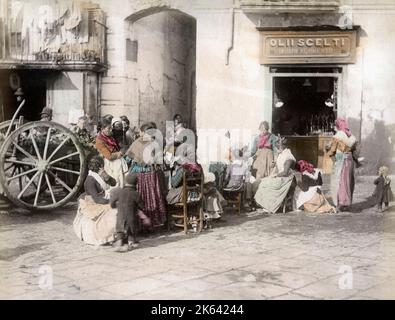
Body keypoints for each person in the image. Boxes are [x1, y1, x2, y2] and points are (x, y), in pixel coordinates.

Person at [125, 122, 167, 229]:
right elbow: (128, 158)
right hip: (138, 175)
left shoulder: (155, 144)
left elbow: (159, 159)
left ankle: (151, 223)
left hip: (151, 174)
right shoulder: (136, 143)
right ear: (142, 133)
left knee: (151, 196)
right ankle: (139, 224)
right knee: (140, 197)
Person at [73, 156, 118, 246]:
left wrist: (106, 176)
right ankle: (108, 237)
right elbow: (97, 199)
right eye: (101, 166)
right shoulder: (90, 180)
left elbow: (114, 183)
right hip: (94, 202)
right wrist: (112, 201)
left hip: (103, 198)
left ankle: (116, 235)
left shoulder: (100, 175)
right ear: (99, 167)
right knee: (114, 212)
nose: (103, 167)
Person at [254, 137, 297, 213]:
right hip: (281, 177)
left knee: (267, 184)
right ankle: (266, 205)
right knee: (263, 182)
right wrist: (274, 166)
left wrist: (276, 176)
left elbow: (285, 172)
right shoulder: (281, 155)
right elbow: (278, 167)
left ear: (283, 146)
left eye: (278, 146)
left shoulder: (288, 156)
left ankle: (270, 206)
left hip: (286, 179)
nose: (277, 148)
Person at [110, 173, 149, 251]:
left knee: (120, 231)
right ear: (136, 184)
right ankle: (130, 243)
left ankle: (119, 242)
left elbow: (112, 203)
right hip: (131, 218)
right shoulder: (135, 194)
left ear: (125, 181)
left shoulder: (119, 192)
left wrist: (117, 206)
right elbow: (143, 206)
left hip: (120, 217)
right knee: (131, 231)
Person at [327, 117, 359, 211]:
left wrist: (328, 151)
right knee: (348, 180)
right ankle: (346, 202)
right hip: (349, 159)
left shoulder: (337, 136)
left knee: (339, 181)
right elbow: (354, 149)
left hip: (341, 159)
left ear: (337, 126)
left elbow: (332, 150)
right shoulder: (350, 135)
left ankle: (340, 204)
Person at [95, 117, 128, 187]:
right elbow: (109, 156)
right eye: (108, 128)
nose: (111, 130)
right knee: (117, 182)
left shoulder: (109, 136)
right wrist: (120, 153)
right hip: (110, 164)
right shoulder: (99, 141)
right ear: (102, 129)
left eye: (111, 128)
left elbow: (120, 132)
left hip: (116, 161)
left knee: (122, 180)